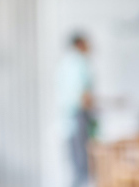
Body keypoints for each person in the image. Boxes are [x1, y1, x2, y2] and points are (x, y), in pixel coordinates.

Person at [57, 33, 95, 187]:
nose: (90, 48)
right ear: (80, 44)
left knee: (74, 157)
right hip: (79, 113)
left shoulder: (64, 63)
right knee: (83, 158)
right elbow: (84, 95)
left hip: (67, 115)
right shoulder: (80, 62)